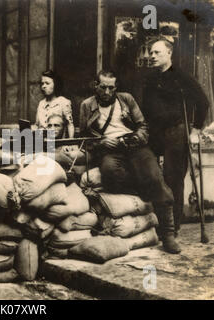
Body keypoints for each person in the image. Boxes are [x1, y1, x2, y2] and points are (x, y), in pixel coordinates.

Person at [80, 70, 181, 254]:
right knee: (110, 172)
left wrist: (133, 139)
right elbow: (84, 139)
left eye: (111, 88)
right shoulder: (87, 106)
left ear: (116, 87)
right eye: (103, 87)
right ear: (96, 86)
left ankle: (167, 235)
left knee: (153, 176)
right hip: (108, 149)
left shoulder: (126, 99)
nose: (107, 92)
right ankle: (143, 188)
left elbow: (142, 125)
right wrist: (101, 142)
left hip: (133, 145)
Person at [142, 39, 209, 237]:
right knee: (153, 177)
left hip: (176, 132)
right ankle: (157, 221)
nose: (152, 56)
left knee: (173, 179)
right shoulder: (150, 79)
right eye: (151, 53)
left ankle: (174, 227)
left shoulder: (182, 78)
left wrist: (195, 130)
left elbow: (203, 102)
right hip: (154, 134)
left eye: (157, 53)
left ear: (169, 53)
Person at [35, 70, 75, 138]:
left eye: (47, 83)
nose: (43, 86)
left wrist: (71, 143)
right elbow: (37, 125)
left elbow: (70, 125)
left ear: (55, 85)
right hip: (41, 144)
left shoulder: (63, 102)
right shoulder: (41, 104)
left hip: (58, 144)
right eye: (42, 83)